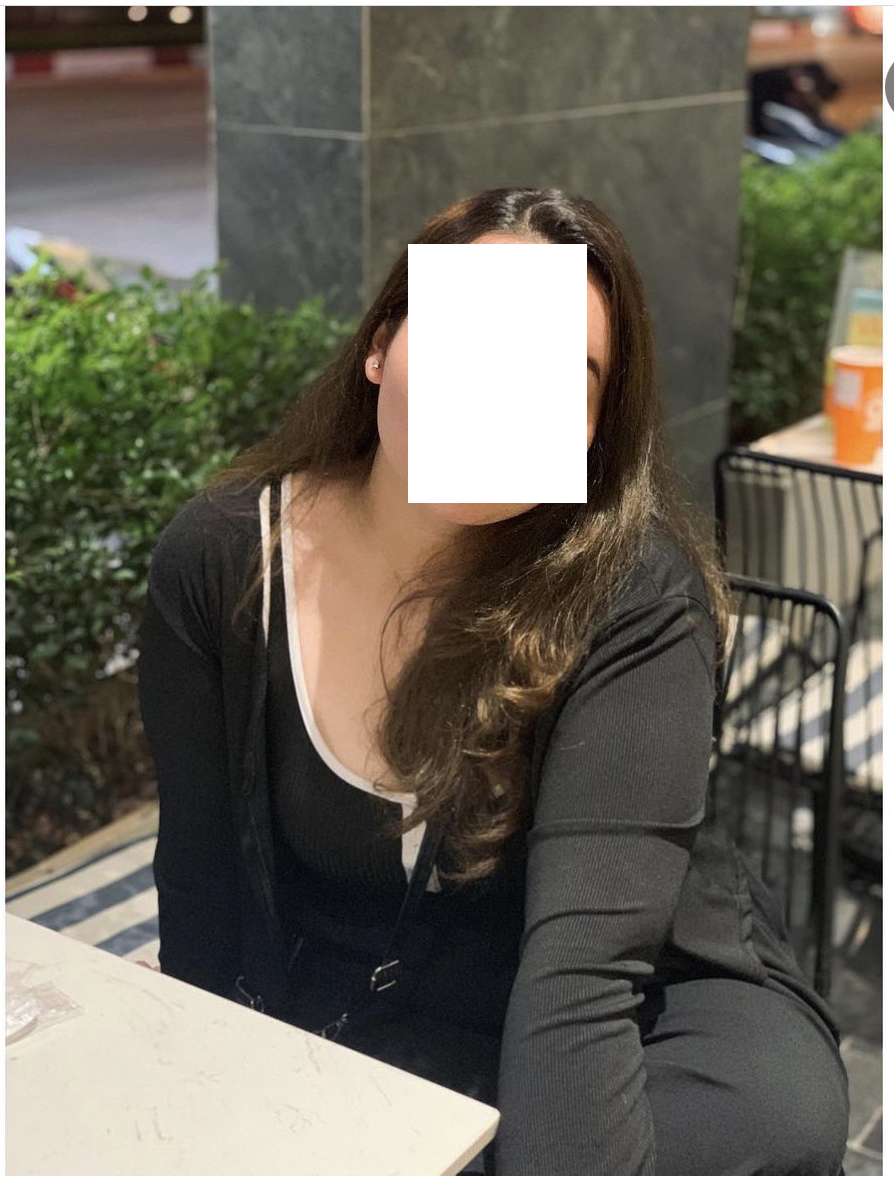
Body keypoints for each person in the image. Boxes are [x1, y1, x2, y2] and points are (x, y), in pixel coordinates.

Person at [137, 186, 849, 1175]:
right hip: (368, 990)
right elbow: (201, 882)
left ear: (593, 428)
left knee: (767, 1115)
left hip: (632, 992)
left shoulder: (631, 589)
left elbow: (586, 968)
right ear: (381, 345)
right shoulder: (222, 561)